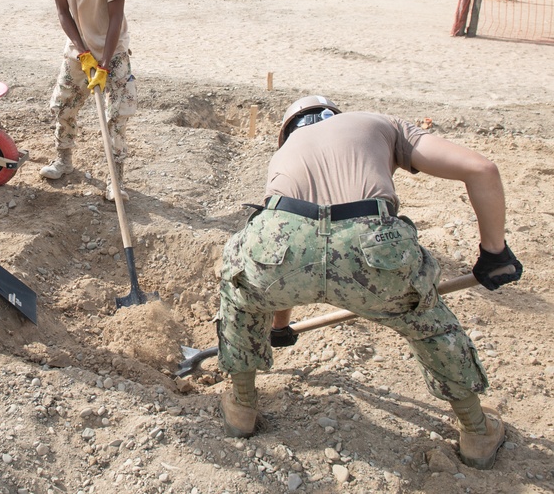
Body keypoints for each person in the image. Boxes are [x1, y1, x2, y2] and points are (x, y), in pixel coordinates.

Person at [214, 95, 522, 470]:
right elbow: (482, 169)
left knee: (241, 296)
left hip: (281, 236)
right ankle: (477, 432)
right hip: (370, 245)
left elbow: (290, 243)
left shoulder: (286, 152)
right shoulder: (380, 123)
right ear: (335, 115)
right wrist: (494, 253)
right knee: (429, 326)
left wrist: (279, 326)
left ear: (287, 131)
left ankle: (242, 408)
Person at [39, 0, 137, 202]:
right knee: (65, 106)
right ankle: (64, 160)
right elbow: (63, 13)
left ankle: (116, 180)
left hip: (113, 50)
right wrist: (83, 53)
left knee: (117, 115)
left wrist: (104, 64)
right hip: (77, 49)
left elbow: (116, 18)